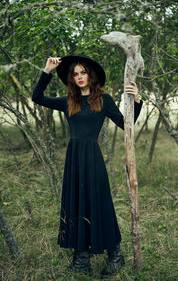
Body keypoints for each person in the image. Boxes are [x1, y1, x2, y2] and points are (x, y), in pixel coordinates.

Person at [32, 54, 143, 276]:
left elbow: (125, 125)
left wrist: (138, 100)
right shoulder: (68, 102)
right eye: (75, 74)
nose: (80, 77)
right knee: (76, 206)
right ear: (71, 78)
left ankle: (115, 254)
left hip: (93, 160)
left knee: (100, 204)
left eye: (83, 73)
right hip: (74, 162)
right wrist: (47, 71)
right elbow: (37, 97)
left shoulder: (103, 100)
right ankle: (81, 259)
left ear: (90, 75)